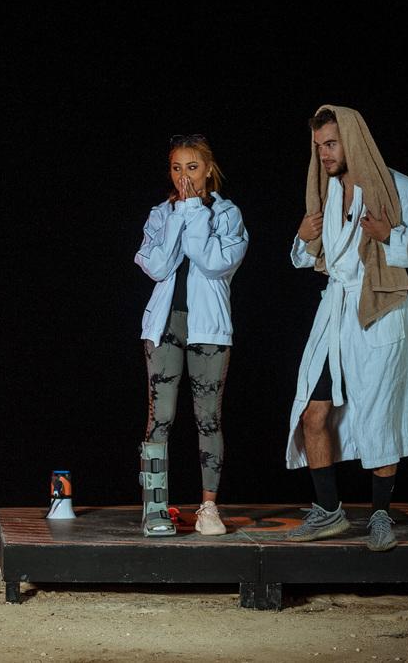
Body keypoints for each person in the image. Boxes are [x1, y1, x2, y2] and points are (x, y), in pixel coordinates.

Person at [286, 106, 408, 551]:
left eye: (331, 144)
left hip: (381, 308)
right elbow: (309, 256)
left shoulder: (395, 185)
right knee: (312, 412)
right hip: (336, 311)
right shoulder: (325, 191)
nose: (324, 154)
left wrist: (389, 236)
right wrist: (303, 236)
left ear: (353, 141)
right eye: (319, 146)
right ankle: (328, 511)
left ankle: (380, 515)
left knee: (380, 414)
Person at [133, 134, 248, 537]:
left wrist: (195, 210)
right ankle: (154, 506)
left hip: (208, 327)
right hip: (164, 326)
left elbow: (212, 261)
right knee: (160, 416)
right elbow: (158, 266)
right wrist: (180, 213)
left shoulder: (227, 214)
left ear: (209, 169)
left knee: (208, 418)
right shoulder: (160, 213)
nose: (184, 176)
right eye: (177, 168)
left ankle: (209, 507)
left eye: (193, 167)